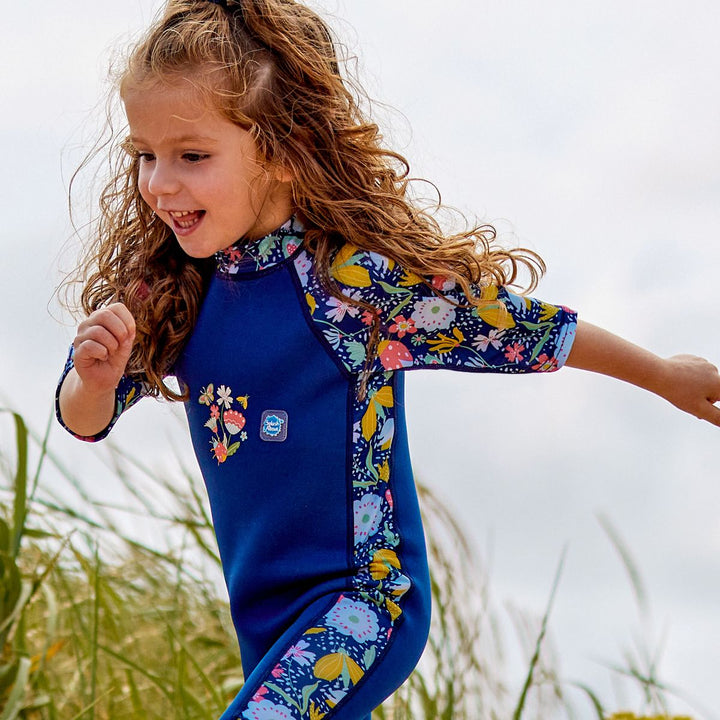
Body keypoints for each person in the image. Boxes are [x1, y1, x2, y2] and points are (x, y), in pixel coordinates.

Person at [55, 0, 720, 718]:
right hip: (264, 617)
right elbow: (83, 419)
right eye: (145, 156)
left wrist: (660, 374)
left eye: (192, 156)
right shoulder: (170, 293)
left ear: (283, 150)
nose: (159, 183)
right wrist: (93, 378)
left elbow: (524, 330)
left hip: (366, 601)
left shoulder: (353, 286)